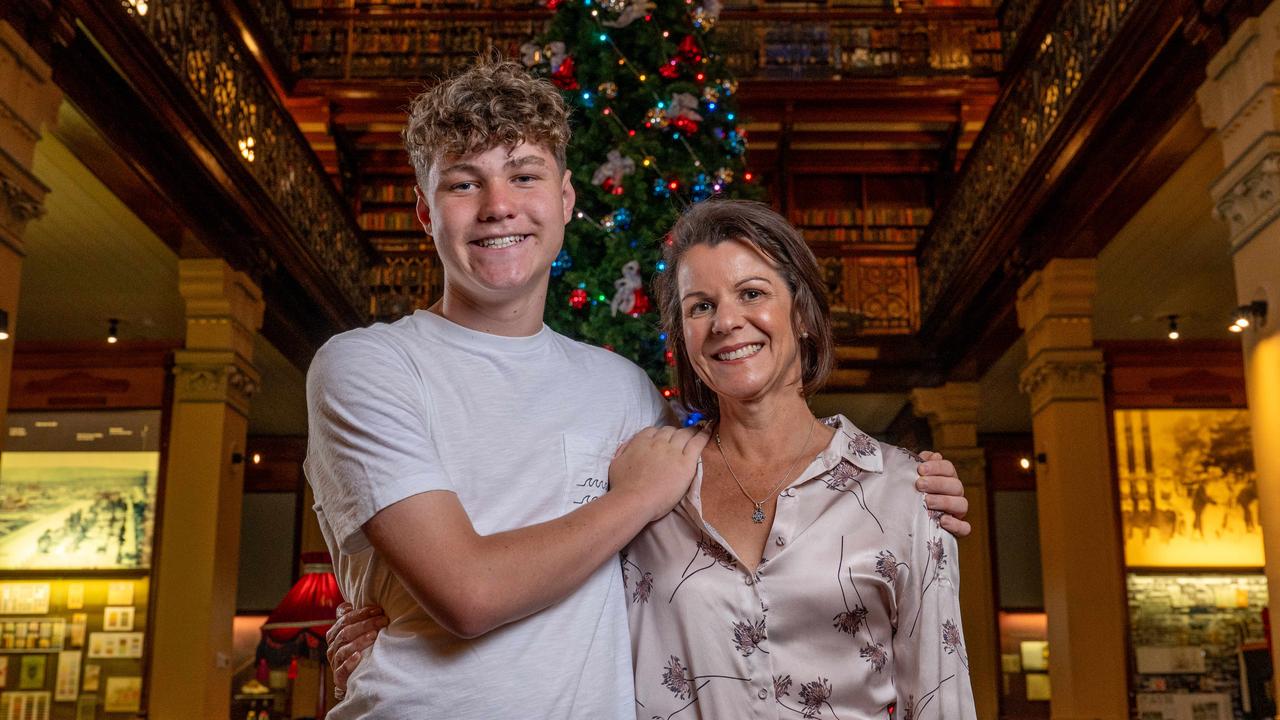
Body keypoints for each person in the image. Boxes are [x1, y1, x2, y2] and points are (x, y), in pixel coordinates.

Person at [306, 57, 970, 719]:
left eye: (524, 175)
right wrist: (635, 498)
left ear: (565, 200)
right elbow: (469, 593)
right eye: (463, 184)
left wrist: (909, 485)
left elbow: (755, 463)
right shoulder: (368, 366)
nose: (499, 205)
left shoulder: (623, 390)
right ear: (424, 211)